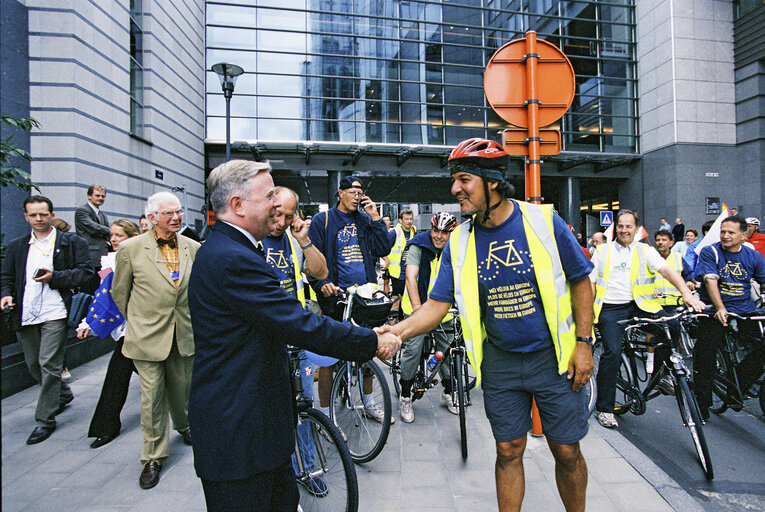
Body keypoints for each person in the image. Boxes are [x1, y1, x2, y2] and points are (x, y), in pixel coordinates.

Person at [380, 138, 595, 512]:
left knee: (566, 450)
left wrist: (583, 343)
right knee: (508, 450)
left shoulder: (543, 221)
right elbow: (436, 305)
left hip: (553, 359)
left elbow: (581, 280)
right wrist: (395, 332)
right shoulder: (459, 241)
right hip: (500, 362)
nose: (455, 188)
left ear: (492, 181)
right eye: (454, 179)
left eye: (464, 179)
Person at [187, 159, 401, 511]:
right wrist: (371, 341)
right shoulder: (231, 258)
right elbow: (299, 324)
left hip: (259, 432)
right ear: (238, 205)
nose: (276, 204)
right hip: (240, 437)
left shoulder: (236, 249)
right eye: (269, 194)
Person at [112, 191, 199, 489]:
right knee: (151, 397)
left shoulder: (193, 247)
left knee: (182, 388)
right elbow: (119, 293)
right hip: (146, 336)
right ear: (151, 219)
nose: (176, 218)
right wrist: (138, 321)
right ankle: (152, 456)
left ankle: (185, 426)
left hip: (183, 333)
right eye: (168, 214)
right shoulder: (130, 249)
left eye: (178, 212)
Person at [590, 210, 704, 429]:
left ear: (636, 228)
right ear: (616, 228)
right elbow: (591, 284)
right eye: (620, 226)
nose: (624, 230)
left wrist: (687, 294)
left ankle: (661, 374)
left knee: (671, 324)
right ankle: (604, 408)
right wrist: (588, 316)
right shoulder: (602, 251)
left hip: (639, 305)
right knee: (612, 352)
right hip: (610, 308)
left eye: (629, 226)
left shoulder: (645, 251)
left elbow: (668, 271)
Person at [1, 196, 93, 444]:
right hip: (27, 312)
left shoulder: (70, 242)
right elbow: (6, 276)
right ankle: (62, 394)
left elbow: (86, 273)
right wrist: (6, 294)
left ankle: (44, 420)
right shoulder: (17, 246)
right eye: (33, 215)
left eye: (43, 214)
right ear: (26, 217)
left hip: (56, 311)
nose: (38, 219)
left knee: (49, 363)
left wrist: (55, 277)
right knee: (33, 364)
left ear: (52, 214)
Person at [306, 175, 394, 423]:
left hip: (364, 299)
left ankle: (368, 402)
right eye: (353, 192)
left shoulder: (365, 220)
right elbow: (312, 262)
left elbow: (383, 248)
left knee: (367, 350)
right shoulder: (322, 221)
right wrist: (322, 284)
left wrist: (375, 217)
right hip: (336, 300)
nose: (357, 196)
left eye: (360, 192)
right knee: (328, 359)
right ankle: (325, 414)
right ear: (340, 193)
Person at [77, 220, 141, 449]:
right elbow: (103, 296)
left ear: (132, 237)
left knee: (120, 376)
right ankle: (106, 427)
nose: (113, 240)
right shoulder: (109, 262)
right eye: (112, 235)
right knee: (125, 376)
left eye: (119, 235)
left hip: (142, 326)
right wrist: (88, 321)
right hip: (125, 329)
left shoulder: (139, 257)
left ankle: (106, 426)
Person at [693, 216, 765, 420]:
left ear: (744, 235)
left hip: (744, 311)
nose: (725, 236)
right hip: (715, 311)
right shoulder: (711, 252)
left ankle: (737, 386)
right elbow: (710, 281)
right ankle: (702, 405)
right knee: (705, 356)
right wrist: (719, 307)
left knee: (760, 347)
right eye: (723, 231)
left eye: (731, 232)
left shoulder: (753, 256)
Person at [398, 212, 459, 423]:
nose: (439, 236)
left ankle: (449, 392)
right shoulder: (418, 246)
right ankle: (405, 395)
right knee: (413, 351)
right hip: (418, 307)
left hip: (442, 312)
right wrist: (418, 310)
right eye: (435, 231)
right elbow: (410, 277)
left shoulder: (457, 248)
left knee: (448, 352)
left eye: (444, 232)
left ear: (452, 233)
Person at [75, 184, 111, 268]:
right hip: (89, 257)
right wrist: (111, 230)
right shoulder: (82, 211)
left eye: (103, 196)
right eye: (97, 195)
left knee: (103, 280)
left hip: (103, 258)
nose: (100, 198)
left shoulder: (102, 215)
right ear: (89, 196)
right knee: (92, 280)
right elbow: (93, 228)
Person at [387, 209, 417, 300]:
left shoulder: (413, 230)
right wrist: (386, 260)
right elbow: (382, 247)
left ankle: (404, 313)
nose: (409, 221)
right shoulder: (395, 232)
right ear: (401, 220)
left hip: (409, 269)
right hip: (397, 271)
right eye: (406, 219)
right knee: (398, 296)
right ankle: (396, 312)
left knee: (408, 295)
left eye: (411, 219)